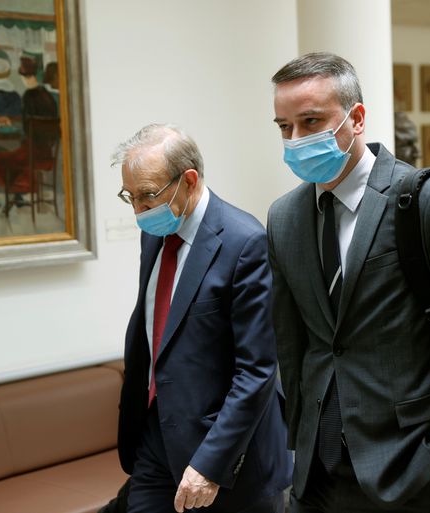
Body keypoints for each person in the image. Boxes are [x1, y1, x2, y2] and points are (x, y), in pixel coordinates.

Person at [267, 52, 430, 512]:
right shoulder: (284, 217)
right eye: (285, 127)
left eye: (311, 121)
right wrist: (297, 439)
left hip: (412, 462)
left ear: (356, 118)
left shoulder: (427, 199)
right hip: (317, 468)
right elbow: (292, 337)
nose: (296, 139)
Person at [112, 123, 292, 513]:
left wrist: (210, 464)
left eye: (147, 197)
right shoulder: (156, 234)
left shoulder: (244, 242)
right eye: (130, 197)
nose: (139, 211)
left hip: (230, 456)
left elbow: (257, 370)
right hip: (157, 440)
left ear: (188, 181)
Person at [0, 55, 57, 208]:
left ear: (25, 77)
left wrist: (14, 126)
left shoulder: (28, 96)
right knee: (14, 158)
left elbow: (27, 127)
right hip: (47, 152)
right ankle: (18, 198)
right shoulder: (47, 95)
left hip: (32, 152)